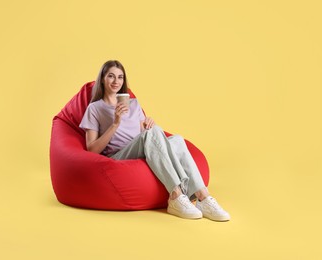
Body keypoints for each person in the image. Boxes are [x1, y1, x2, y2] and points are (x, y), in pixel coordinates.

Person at [79, 60, 230, 221]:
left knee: (177, 140)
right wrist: (115, 123)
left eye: (120, 77)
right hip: (118, 156)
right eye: (111, 76)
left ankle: (203, 197)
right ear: (102, 79)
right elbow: (92, 149)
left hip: (140, 149)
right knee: (152, 134)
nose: (116, 81)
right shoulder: (94, 109)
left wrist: (149, 125)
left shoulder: (133, 104)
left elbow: (146, 135)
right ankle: (176, 195)